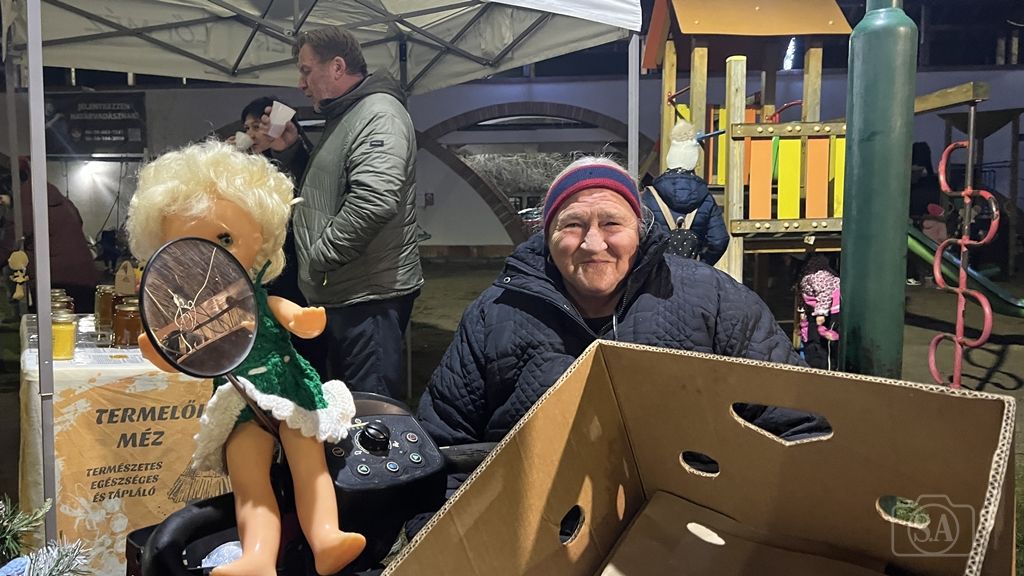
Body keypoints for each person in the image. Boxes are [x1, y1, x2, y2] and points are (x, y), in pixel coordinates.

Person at [417, 157, 825, 448]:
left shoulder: (716, 300)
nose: (593, 244)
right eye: (572, 224)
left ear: (641, 230)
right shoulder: (495, 314)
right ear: (547, 235)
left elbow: (796, 419)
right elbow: (445, 443)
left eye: (612, 223)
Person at [127, 141, 365, 576]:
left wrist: (303, 321)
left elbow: (286, 313)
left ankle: (327, 537)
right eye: (189, 245)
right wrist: (157, 350)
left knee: (308, 464)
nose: (212, 255)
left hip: (289, 388)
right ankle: (257, 556)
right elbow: (180, 354)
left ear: (263, 237)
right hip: (237, 400)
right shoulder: (194, 313)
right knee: (249, 480)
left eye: (225, 239)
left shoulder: (258, 298)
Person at [264, 25, 422, 399]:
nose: (301, 84)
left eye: (306, 71)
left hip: (368, 298)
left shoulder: (378, 114)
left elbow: (374, 200)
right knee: (348, 403)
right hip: (347, 291)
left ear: (337, 67)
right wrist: (293, 152)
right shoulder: (349, 114)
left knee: (372, 409)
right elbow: (327, 190)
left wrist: (319, 259)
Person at [0, 158, 99, 311]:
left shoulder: (24, 203)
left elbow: (8, 246)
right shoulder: (56, 196)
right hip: (86, 277)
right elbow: (79, 222)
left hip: (54, 282)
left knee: (49, 325)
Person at [643, 118, 729, 265]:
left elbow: (640, 237)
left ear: (670, 159)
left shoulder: (650, 196)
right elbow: (719, 240)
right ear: (693, 162)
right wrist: (702, 264)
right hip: (692, 270)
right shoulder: (706, 198)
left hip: (658, 269)